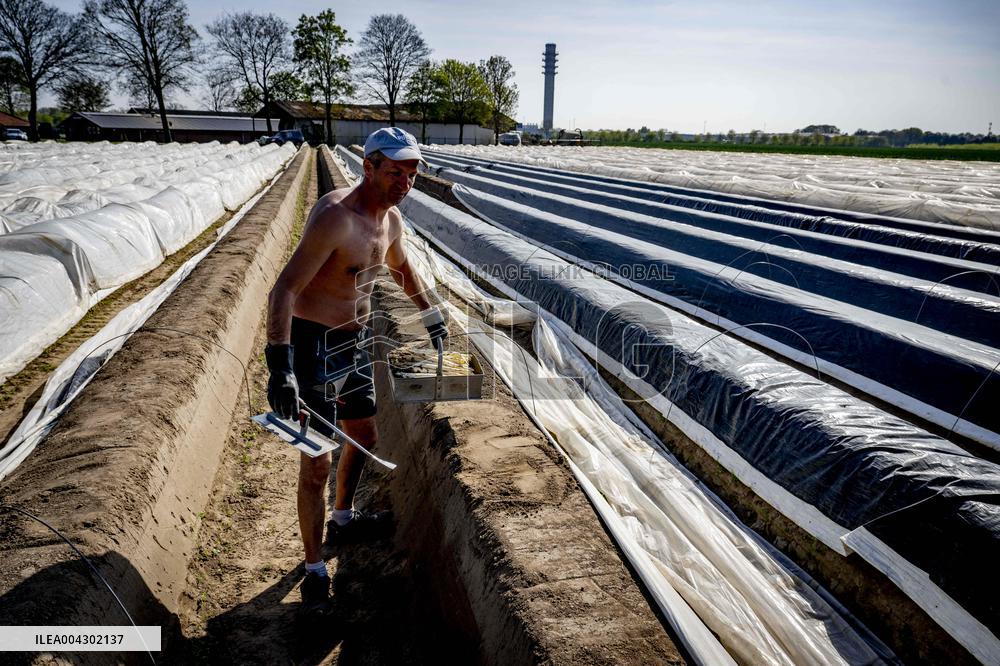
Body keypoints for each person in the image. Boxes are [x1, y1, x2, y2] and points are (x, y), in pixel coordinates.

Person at [264, 127, 447, 615]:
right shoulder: (335, 218)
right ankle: (313, 566)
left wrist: (431, 316)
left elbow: (402, 270)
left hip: (354, 342)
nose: (405, 183)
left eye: (411, 174)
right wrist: (279, 365)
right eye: (395, 173)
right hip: (311, 347)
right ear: (368, 167)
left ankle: (342, 517)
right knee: (317, 460)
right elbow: (282, 290)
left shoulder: (389, 221)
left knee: (362, 432)